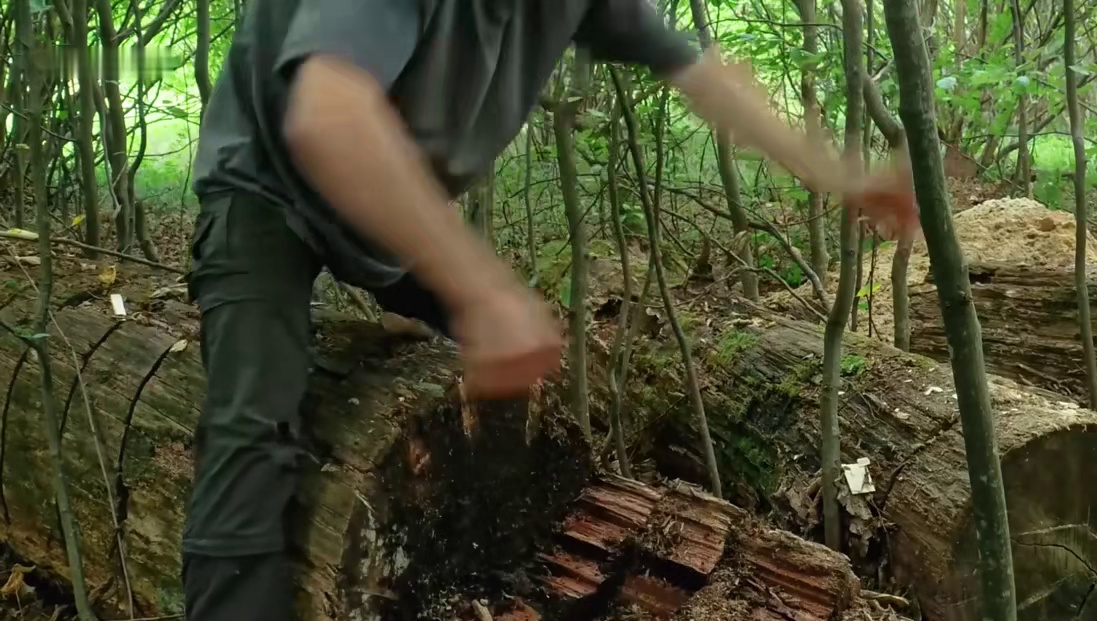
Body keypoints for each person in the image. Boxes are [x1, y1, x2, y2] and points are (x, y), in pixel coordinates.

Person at [183, 1, 913, 619]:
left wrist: (830, 170)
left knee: (523, 371)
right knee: (252, 435)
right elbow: (329, 117)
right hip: (268, 187)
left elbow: (699, 70)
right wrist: (478, 286)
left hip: (386, 204)